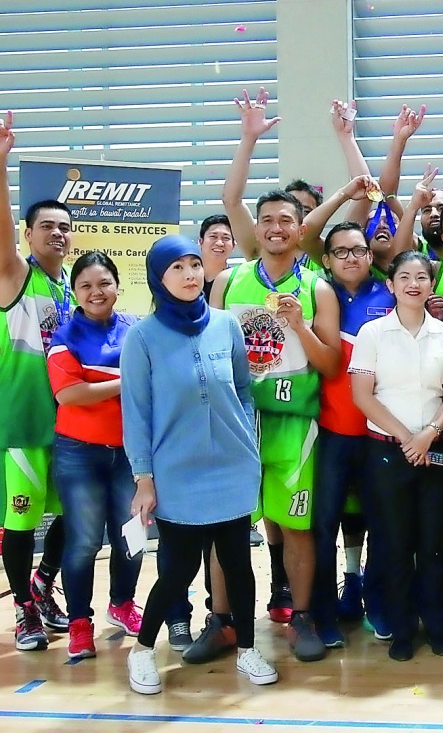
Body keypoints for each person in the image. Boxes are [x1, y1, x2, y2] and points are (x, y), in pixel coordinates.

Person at [122, 235, 276, 694]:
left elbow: (244, 390)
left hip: (233, 467)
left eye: (195, 265)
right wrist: (144, 478)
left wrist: (247, 439)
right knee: (178, 570)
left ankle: (248, 649)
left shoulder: (227, 324)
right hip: (177, 474)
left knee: (238, 565)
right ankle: (143, 650)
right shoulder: (142, 337)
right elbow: (136, 413)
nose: (190, 275)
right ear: (159, 278)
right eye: (178, 268)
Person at [209, 190, 342, 662]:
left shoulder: (317, 288)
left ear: (300, 230)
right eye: (266, 219)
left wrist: (301, 326)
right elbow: (209, 352)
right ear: (257, 228)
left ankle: (301, 616)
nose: (275, 227)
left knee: (295, 526)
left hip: (293, 424)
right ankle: (221, 621)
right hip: (238, 422)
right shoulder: (228, 281)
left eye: (285, 220)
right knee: (224, 526)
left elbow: (329, 365)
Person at [350, 251, 443, 661]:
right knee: (394, 545)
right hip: (386, 453)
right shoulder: (372, 333)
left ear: (432, 285)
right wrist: (406, 438)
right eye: (405, 277)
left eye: (422, 276)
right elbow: (363, 395)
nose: (414, 283)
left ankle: (436, 625)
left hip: (434, 451)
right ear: (391, 284)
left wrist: (429, 434)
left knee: (432, 544)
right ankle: (401, 628)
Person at [46, 252, 141, 659]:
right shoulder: (64, 337)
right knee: (83, 542)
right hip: (78, 454)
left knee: (132, 538)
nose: (96, 292)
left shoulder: (137, 330)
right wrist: (126, 380)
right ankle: (79, 622)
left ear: (117, 286)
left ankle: (122, 605)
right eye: (85, 286)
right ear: (75, 293)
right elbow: (69, 394)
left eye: (103, 283)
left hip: (132, 454)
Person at [0, 112, 70, 650]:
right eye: (47, 226)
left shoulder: (69, 284)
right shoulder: (15, 275)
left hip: (69, 423)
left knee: (77, 515)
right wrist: (1, 163)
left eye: (65, 227)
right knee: (21, 522)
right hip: (23, 424)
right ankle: (23, 608)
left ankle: (44, 583)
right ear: (28, 234)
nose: (58, 234)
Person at [310, 220, 395, 648]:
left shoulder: (393, 292)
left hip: (380, 432)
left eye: (358, 250)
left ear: (369, 254)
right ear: (326, 260)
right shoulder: (314, 293)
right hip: (330, 431)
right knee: (322, 527)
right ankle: (323, 616)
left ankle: (379, 606)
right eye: (340, 251)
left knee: (383, 524)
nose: (350, 258)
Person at [199, 215, 235, 301]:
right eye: (213, 236)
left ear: (233, 245)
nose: (219, 243)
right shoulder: (189, 278)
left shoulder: (236, 281)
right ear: (201, 241)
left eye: (226, 238)